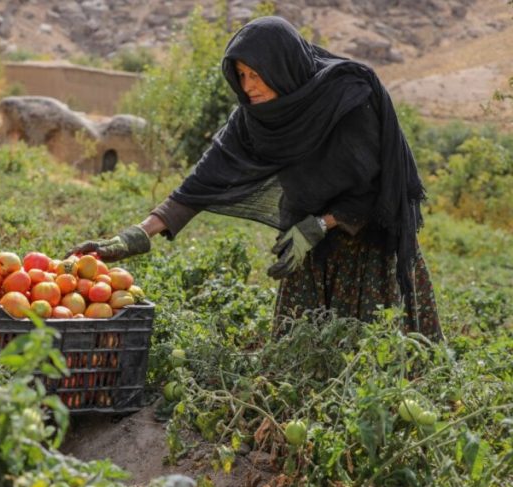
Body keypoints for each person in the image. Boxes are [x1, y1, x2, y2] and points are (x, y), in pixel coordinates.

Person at [68, 16, 443, 341]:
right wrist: (132, 236)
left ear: (282, 65)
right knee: (298, 365)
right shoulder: (255, 116)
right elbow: (201, 182)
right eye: (242, 76)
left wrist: (321, 224)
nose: (248, 87)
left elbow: (380, 189)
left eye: (256, 74)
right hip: (307, 249)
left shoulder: (349, 99)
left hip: (369, 246)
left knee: (376, 363)